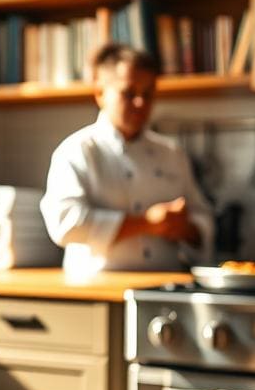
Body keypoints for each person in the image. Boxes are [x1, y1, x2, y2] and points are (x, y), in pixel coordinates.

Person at [40, 43, 214, 273]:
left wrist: (187, 229)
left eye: (148, 94)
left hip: (166, 286)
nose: (141, 103)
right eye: (129, 93)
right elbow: (65, 224)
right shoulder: (76, 151)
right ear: (100, 93)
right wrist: (148, 223)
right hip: (97, 288)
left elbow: (203, 218)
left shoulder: (172, 153)